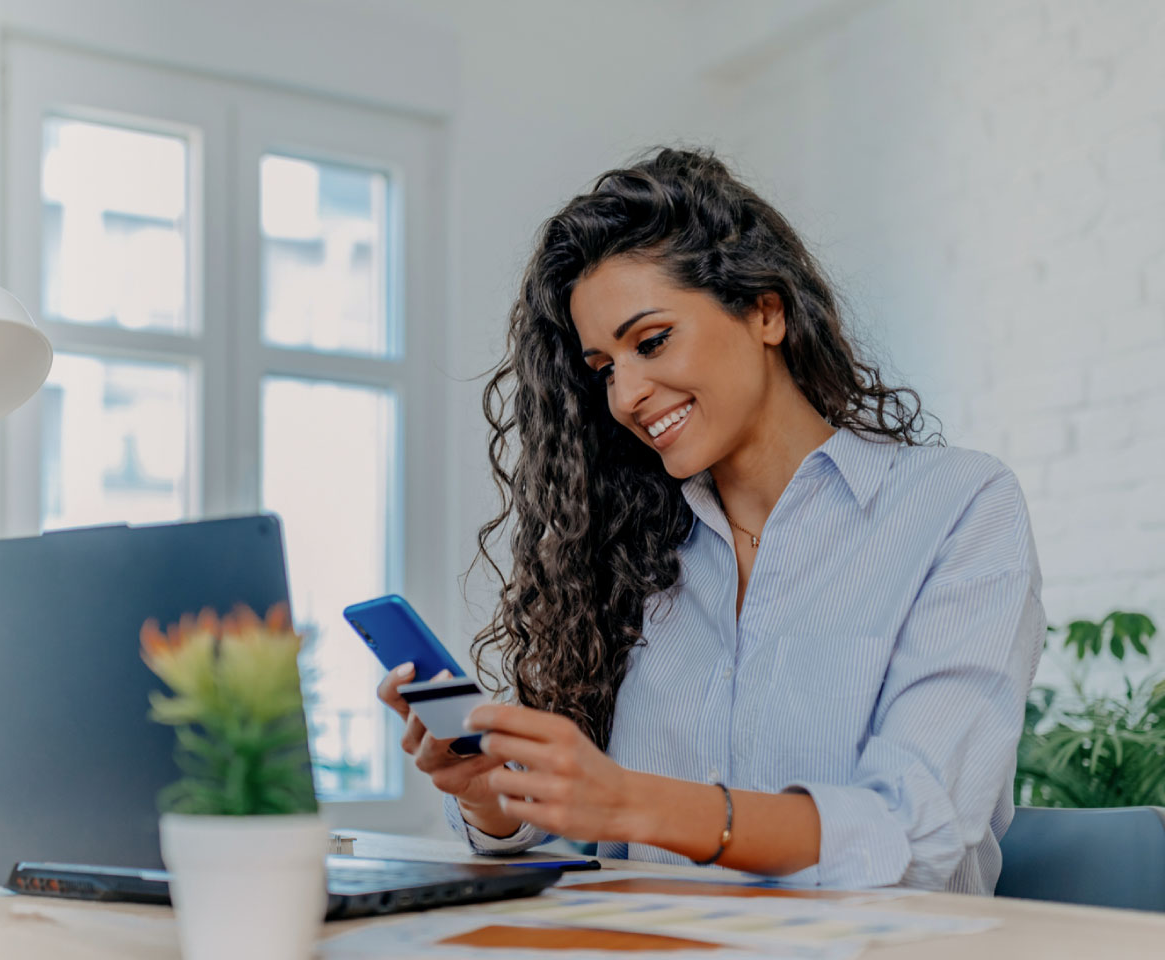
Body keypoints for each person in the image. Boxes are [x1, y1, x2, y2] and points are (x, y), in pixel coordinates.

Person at [379, 147, 1042, 893]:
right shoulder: (635, 553)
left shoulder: (957, 508)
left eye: (652, 341)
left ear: (766, 309)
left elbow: (913, 830)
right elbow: (586, 857)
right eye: (603, 369)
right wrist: (493, 803)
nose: (626, 394)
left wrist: (635, 802)